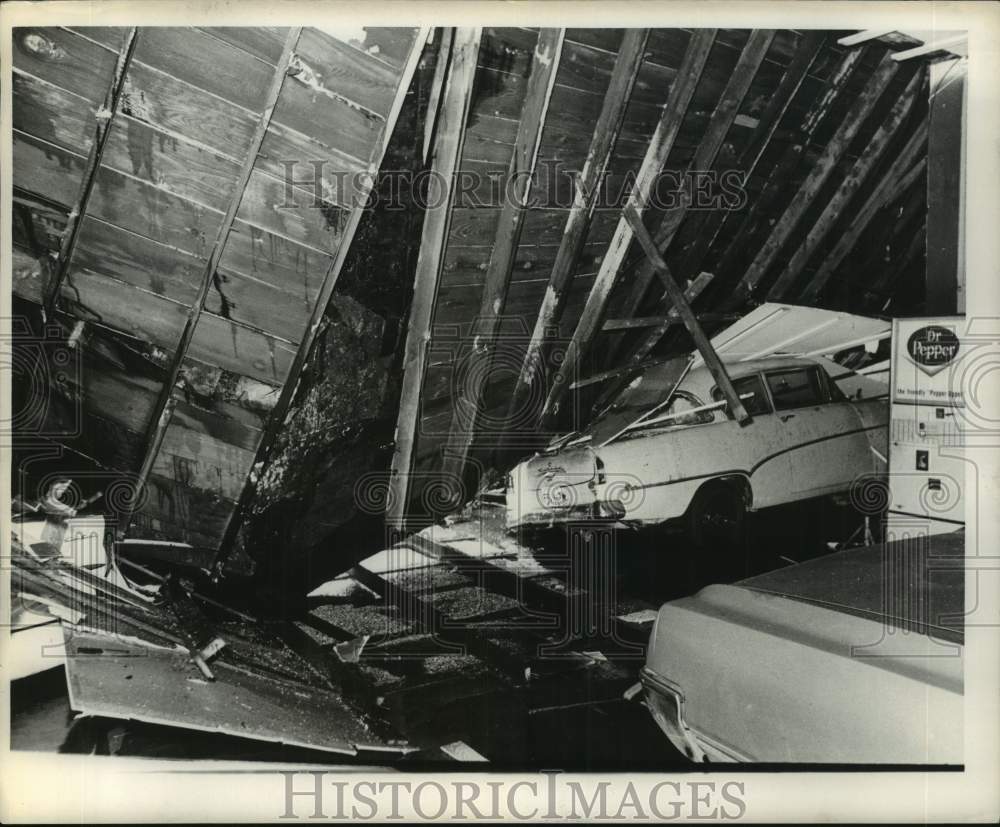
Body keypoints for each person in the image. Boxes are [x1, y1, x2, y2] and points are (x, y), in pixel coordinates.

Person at [38, 478, 77, 558]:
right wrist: (69, 510)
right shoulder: (52, 489)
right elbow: (49, 500)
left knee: (63, 519)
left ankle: (52, 549)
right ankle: (48, 548)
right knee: (61, 518)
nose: (64, 490)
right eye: (63, 488)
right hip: (46, 505)